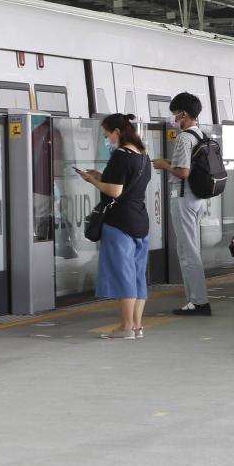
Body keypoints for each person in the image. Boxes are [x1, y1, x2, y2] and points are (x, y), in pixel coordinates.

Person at [79, 113, 151, 340]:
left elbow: (115, 191)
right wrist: (102, 176)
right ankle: (137, 327)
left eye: (107, 134)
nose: (106, 139)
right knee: (138, 275)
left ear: (117, 133)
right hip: (140, 220)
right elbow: (127, 183)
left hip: (120, 222)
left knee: (124, 275)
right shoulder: (143, 155)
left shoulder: (121, 154)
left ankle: (125, 327)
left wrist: (92, 180)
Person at [153, 92, 211, 316]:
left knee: (188, 251)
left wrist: (163, 165)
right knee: (188, 248)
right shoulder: (200, 135)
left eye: (175, 115)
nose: (174, 119)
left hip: (184, 197)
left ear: (184, 114)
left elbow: (183, 171)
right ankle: (194, 300)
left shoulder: (185, 138)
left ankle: (199, 301)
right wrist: (169, 163)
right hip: (197, 198)